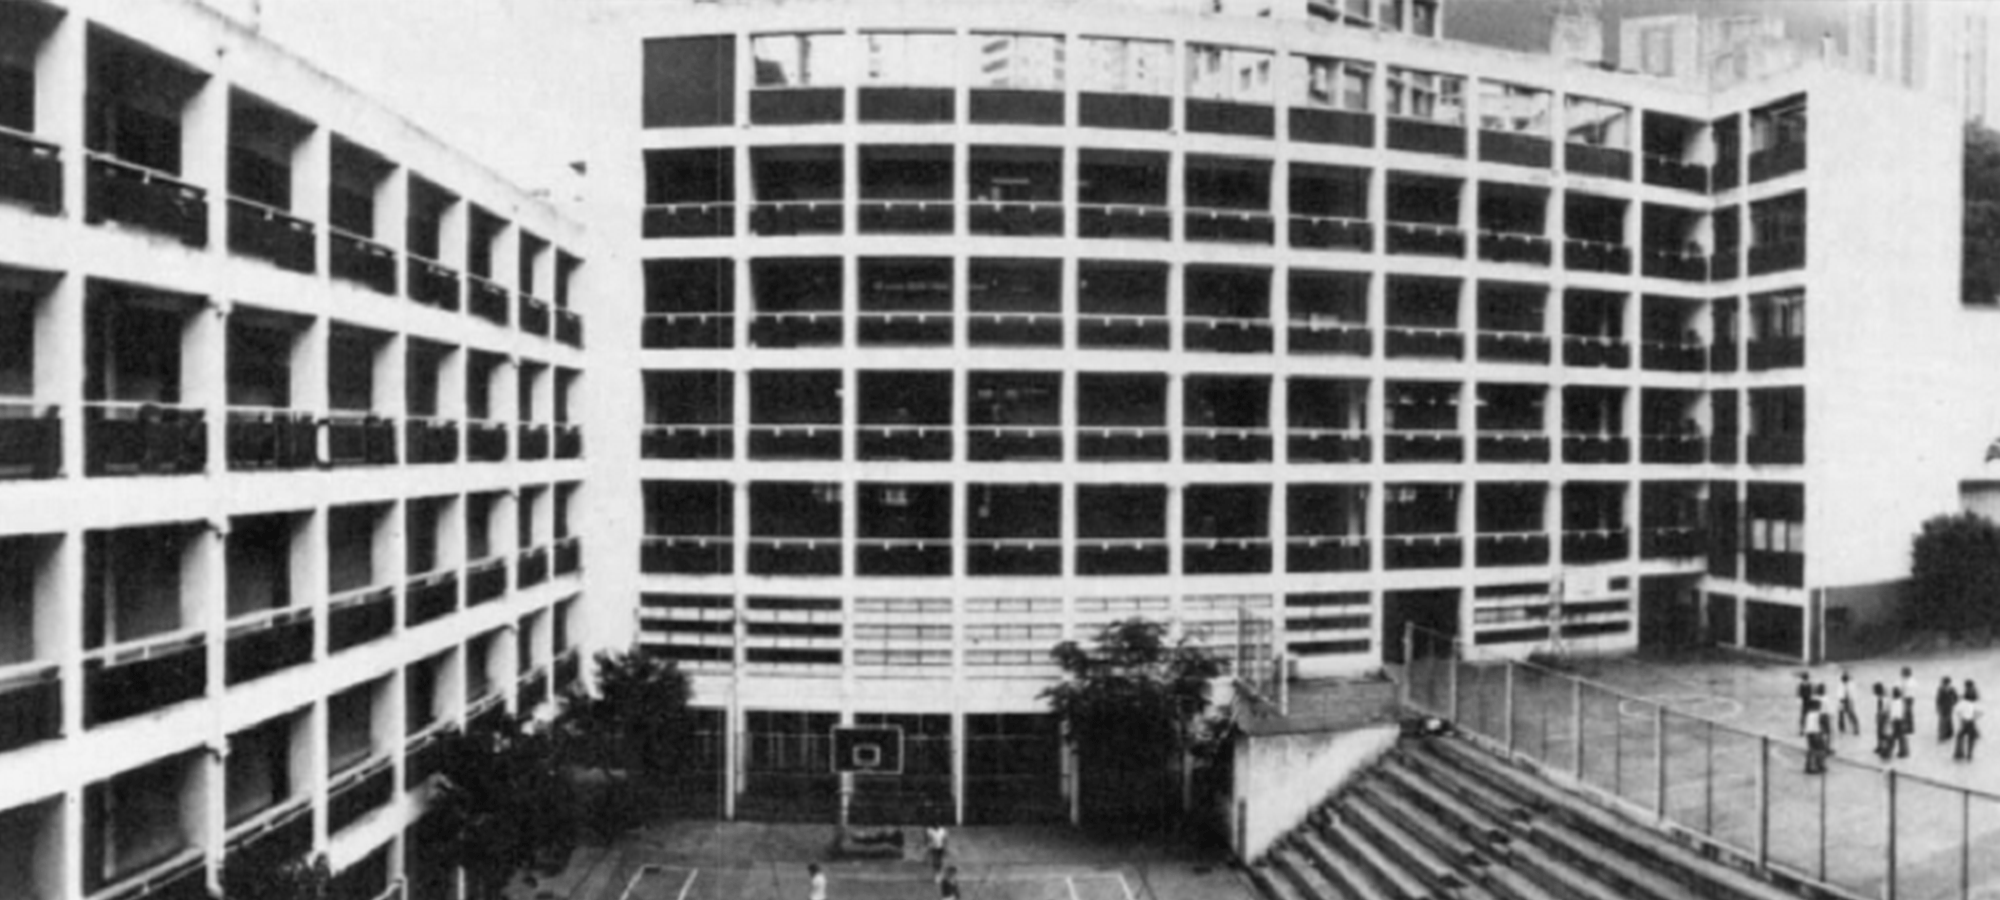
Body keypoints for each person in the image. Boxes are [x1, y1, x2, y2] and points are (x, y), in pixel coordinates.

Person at [1804, 693, 1830, 774]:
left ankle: (1809, 766)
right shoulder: (1818, 714)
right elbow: (1823, 725)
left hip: (1809, 733)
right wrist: (1825, 733)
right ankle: (1819, 766)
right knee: (1821, 750)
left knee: (1811, 750)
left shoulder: (1808, 714)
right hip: (1816, 733)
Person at [1956, 681, 1983, 761]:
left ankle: (1960, 754)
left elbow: (1958, 712)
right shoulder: (1970, 692)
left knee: (1962, 736)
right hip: (1969, 720)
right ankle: (1969, 754)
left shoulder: (1969, 695)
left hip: (1967, 720)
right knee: (1970, 738)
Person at [1873, 683, 1893, 761]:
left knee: (1883, 734)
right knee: (1879, 733)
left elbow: (1884, 710)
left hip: (1884, 718)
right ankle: (1880, 747)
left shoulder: (1884, 699)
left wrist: (1881, 717)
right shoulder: (1881, 697)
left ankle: (1884, 750)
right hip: (1881, 717)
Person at [1836, 671, 1860, 736]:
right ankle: (1843, 729)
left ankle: (1854, 729)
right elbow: (1840, 695)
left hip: (1847, 701)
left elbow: (1842, 695)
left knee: (1849, 715)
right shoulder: (1844, 684)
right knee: (1844, 715)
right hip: (1844, 701)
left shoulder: (1848, 684)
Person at [1893, 686, 1914, 759]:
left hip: (1899, 721)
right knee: (1902, 737)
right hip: (1902, 721)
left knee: (1901, 737)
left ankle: (1904, 752)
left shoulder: (1897, 702)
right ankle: (1903, 751)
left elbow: (1896, 713)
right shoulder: (1902, 702)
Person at [1937, 677, 1959, 742]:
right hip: (1942, 707)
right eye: (1944, 682)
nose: (1944, 684)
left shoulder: (1951, 689)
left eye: (1945, 683)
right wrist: (1938, 707)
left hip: (1949, 707)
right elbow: (1938, 699)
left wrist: (1953, 703)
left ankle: (1947, 734)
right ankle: (1945, 734)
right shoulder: (1940, 689)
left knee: (1947, 719)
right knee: (1943, 720)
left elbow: (1956, 697)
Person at [1796, 671, 1814, 735]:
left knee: (1807, 716)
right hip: (1804, 702)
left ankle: (1805, 729)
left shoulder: (1805, 685)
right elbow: (1799, 695)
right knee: (1803, 717)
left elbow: (1811, 694)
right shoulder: (1805, 685)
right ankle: (1802, 729)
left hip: (1808, 702)